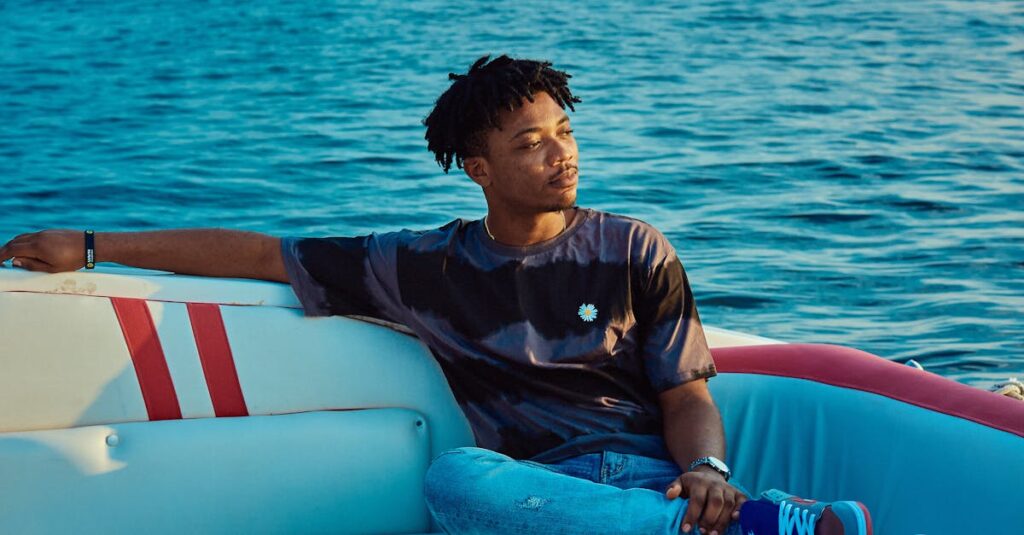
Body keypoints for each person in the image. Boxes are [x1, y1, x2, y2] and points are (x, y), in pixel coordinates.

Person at [0, 55, 871, 535]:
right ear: (482, 170)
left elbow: (687, 388)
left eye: (565, 132)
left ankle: (710, 524)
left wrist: (707, 471)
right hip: (539, 496)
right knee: (455, 481)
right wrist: (90, 246)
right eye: (533, 142)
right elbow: (265, 254)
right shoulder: (421, 265)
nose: (562, 153)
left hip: (654, 478)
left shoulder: (635, 247)